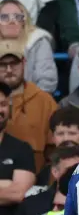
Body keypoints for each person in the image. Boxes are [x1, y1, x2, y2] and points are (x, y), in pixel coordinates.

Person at [1, 39, 58, 175]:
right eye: (2, 65)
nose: (9, 70)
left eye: (14, 63)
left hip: (37, 180)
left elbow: (55, 150)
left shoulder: (44, 101)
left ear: (24, 63)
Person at [0, 81, 36, 215]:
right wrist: (6, 184)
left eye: (2, 104)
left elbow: (18, 193)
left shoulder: (21, 149)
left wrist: (12, 188)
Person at [0, 0, 57, 94]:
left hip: (32, 99)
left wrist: (29, 101)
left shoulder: (38, 41)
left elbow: (47, 82)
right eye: (4, 17)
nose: (11, 21)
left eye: (17, 17)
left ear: (24, 21)